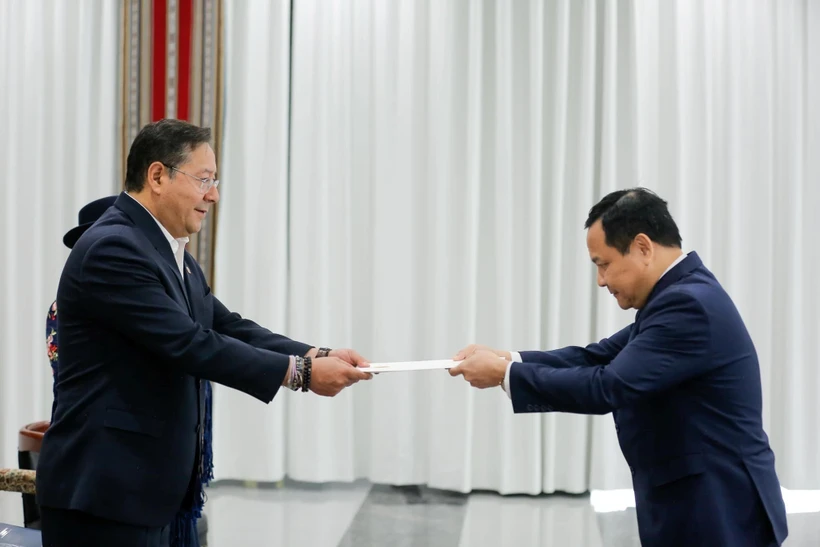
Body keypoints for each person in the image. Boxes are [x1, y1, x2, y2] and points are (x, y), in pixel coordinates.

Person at [36, 119, 372, 547]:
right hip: (107, 492)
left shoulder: (171, 252)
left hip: (151, 488)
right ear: (157, 176)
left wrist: (319, 352)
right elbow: (189, 343)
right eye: (204, 179)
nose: (213, 194)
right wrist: (301, 373)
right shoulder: (113, 247)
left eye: (215, 180)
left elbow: (227, 325)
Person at [449, 188, 788, 546]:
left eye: (604, 263)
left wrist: (505, 376)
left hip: (718, 508)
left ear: (643, 247)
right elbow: (598, 356)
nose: (601, 280)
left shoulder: (687, 305)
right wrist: (508, 359)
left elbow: (609, 386)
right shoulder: (679, 295)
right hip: (699, 500)